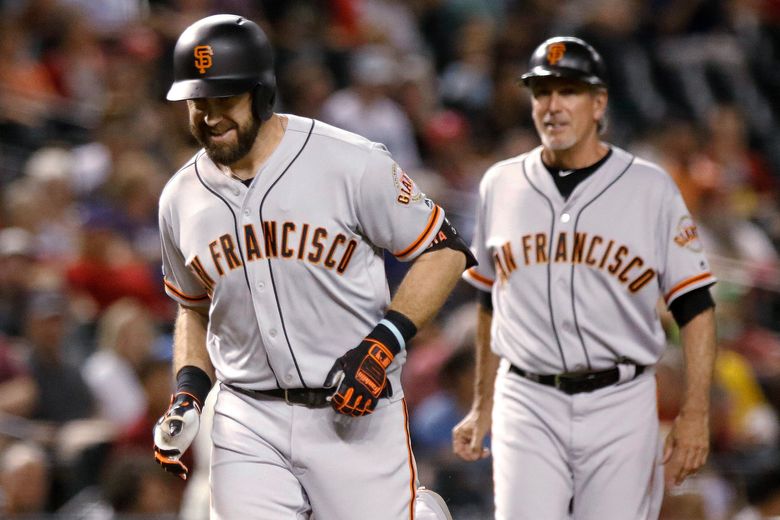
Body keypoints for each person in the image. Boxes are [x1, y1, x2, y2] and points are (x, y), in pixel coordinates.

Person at [152, 14, 474, 520]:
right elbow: (192, 309)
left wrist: (384, 340)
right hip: (247, 417)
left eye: (224, 101)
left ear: (262, 93)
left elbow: (445, 250)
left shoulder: (349, 162)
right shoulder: (179, 197)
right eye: (198, 102)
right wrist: (189, 392)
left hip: (353, 412)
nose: (209, 116)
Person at [451, 36, 718, 519]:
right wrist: (481, 402)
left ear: (599, 103)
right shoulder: (500, 184)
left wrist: (695, 411)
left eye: (568, 91)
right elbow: (490, 300)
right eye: (541, 92)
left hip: (621, 400)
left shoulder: (650, 187)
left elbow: (695, 306)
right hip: (526, 399)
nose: (552, 106)